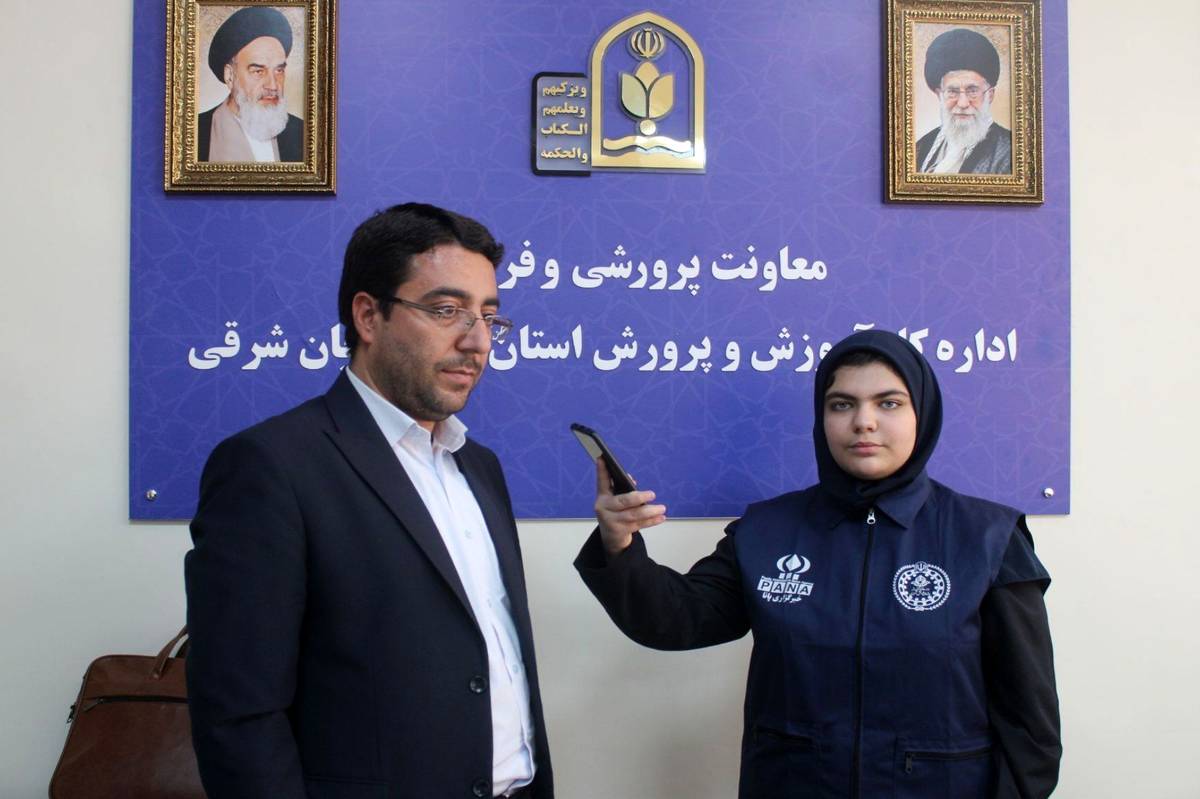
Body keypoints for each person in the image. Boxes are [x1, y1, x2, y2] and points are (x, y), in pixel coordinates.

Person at [575, 329, 1060, 798]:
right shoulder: (766, 531)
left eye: (889, 403)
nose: (863, 422)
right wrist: (619, 544)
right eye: (842, 404)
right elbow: (675, 620)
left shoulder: (988, 537)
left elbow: (1030, 726)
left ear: (923, 413)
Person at [186, 203, 553, 798]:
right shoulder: (271, 466)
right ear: (368, 316)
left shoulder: (479, 466)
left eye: (489, 317)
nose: (477, 342)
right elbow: (239, 716)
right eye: (446, 310)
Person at [197, 6, 304, 162]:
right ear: (230, 76)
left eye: (279, 70)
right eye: (258, 71)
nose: (273, 86)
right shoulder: (194, 133)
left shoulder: (303, 133)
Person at [916, 28, 1012, 174]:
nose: (962, 103)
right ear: (940, 95)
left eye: (972, 91)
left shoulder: (1010, 152)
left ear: (990, 95)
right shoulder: (921, 146)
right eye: (952, 91)